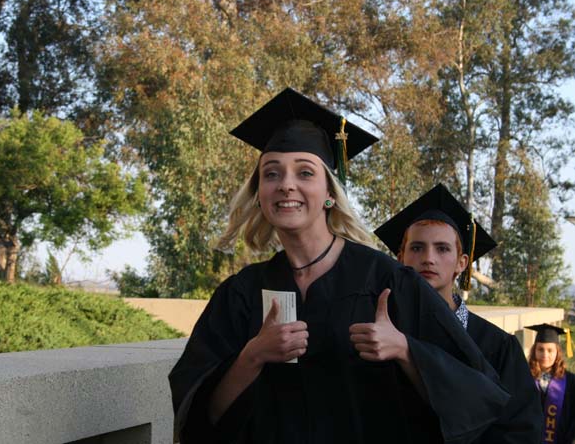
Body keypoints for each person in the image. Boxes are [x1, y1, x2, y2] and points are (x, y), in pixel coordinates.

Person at [168, 88, 510, 444]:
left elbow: (478, 393)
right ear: (259, 193)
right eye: (272, 174)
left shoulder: (387, 281)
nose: (286, 185)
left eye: (304, 173)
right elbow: (197, 419)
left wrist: (406, 350)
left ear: (330, 192)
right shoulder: (240, 294)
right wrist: (252, 357)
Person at [374, 183, 543, 443]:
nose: (428, 258)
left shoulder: (497, 345)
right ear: (400, 258)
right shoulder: (379, 335)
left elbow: (522, 431)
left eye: (442, 249)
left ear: (461, 263)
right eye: (417, 248)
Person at [526, 324, 575, 444]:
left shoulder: (571, 381)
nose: (545, 355)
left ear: (557, 352)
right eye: (540, 349)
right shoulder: (524, 378)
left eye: (550, 350)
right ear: (534, 351)